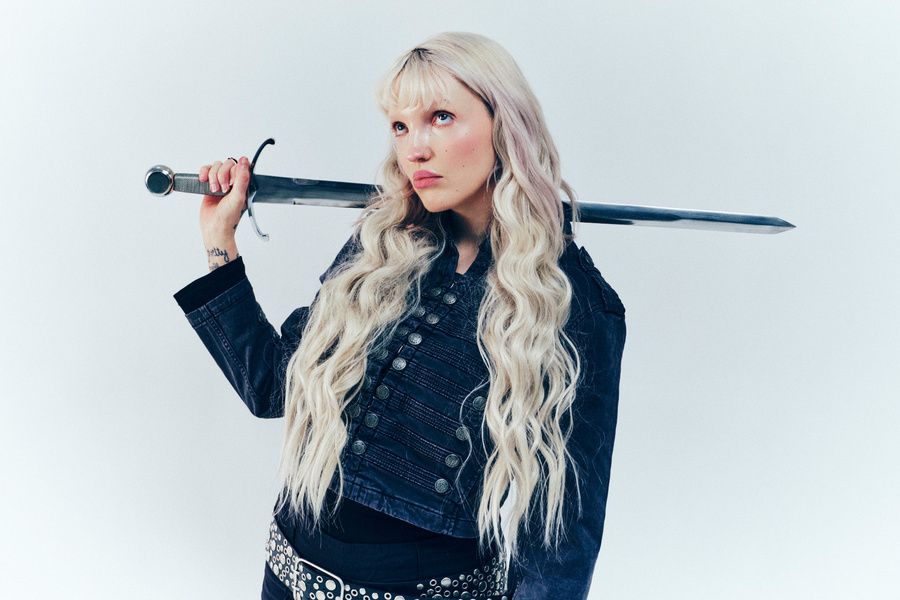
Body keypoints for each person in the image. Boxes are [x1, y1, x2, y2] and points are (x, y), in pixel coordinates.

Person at [174, 32, 625, 600]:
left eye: (440, 117)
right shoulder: (382, 248)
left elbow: (563, 535)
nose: (415, 149)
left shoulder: (571, 301)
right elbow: (272, 387)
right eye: (400, 126)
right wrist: (219, 240)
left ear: (505, 124)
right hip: (286, 578)